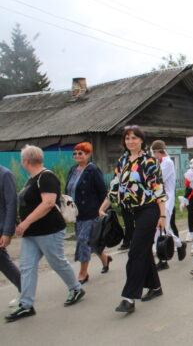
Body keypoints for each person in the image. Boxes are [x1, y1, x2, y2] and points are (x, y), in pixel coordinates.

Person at [6, 145, 85, 322]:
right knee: (27, 266)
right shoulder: (32, 179)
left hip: (48, 230)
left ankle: (76, 288)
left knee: (56, 261)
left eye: (22, 160)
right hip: (31, 233)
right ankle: (26, 305)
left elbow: (48, 203)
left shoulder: (46, 177)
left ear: (26, 161)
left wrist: (25, 222)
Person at [99, 125, 166, 313]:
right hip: (129, 211)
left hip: (149, 210)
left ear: (142, 140)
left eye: (134, 138)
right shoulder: (122, 161)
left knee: (135, 252)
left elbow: (158, 189)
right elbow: (115, 187)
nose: (130, 141)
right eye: (127, 138)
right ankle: (155, 286)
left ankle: (129, 297)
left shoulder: (150, 161)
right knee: (142, 250)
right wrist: (103, 206)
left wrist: (162, 215)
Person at [65, 142, 111, 284]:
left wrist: (102, 210)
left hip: (91, 212)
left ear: (88, 155)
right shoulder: (73, 170)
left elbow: (103, 192)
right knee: (90, 241)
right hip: (76, 213)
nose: (77, 156)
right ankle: (105, 259)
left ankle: (83, 273)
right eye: (75, 153)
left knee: (83, 241)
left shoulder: (93, 170)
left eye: (81, 153)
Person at [151, 140, 186, 271]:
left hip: (167, 198)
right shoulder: (159, 162)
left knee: (161, 228)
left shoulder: (168, 162)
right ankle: (179, 244)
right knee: (164, 227)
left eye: (153, 152)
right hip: (160, 198)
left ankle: (162, 259)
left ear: (157, 152)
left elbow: (158, 179)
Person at [0, 165, 21, 307]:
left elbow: (11, 204)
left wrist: (7, 232)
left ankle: (25, 290)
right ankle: (25, 288)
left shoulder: (5, 175)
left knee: (3, 261)